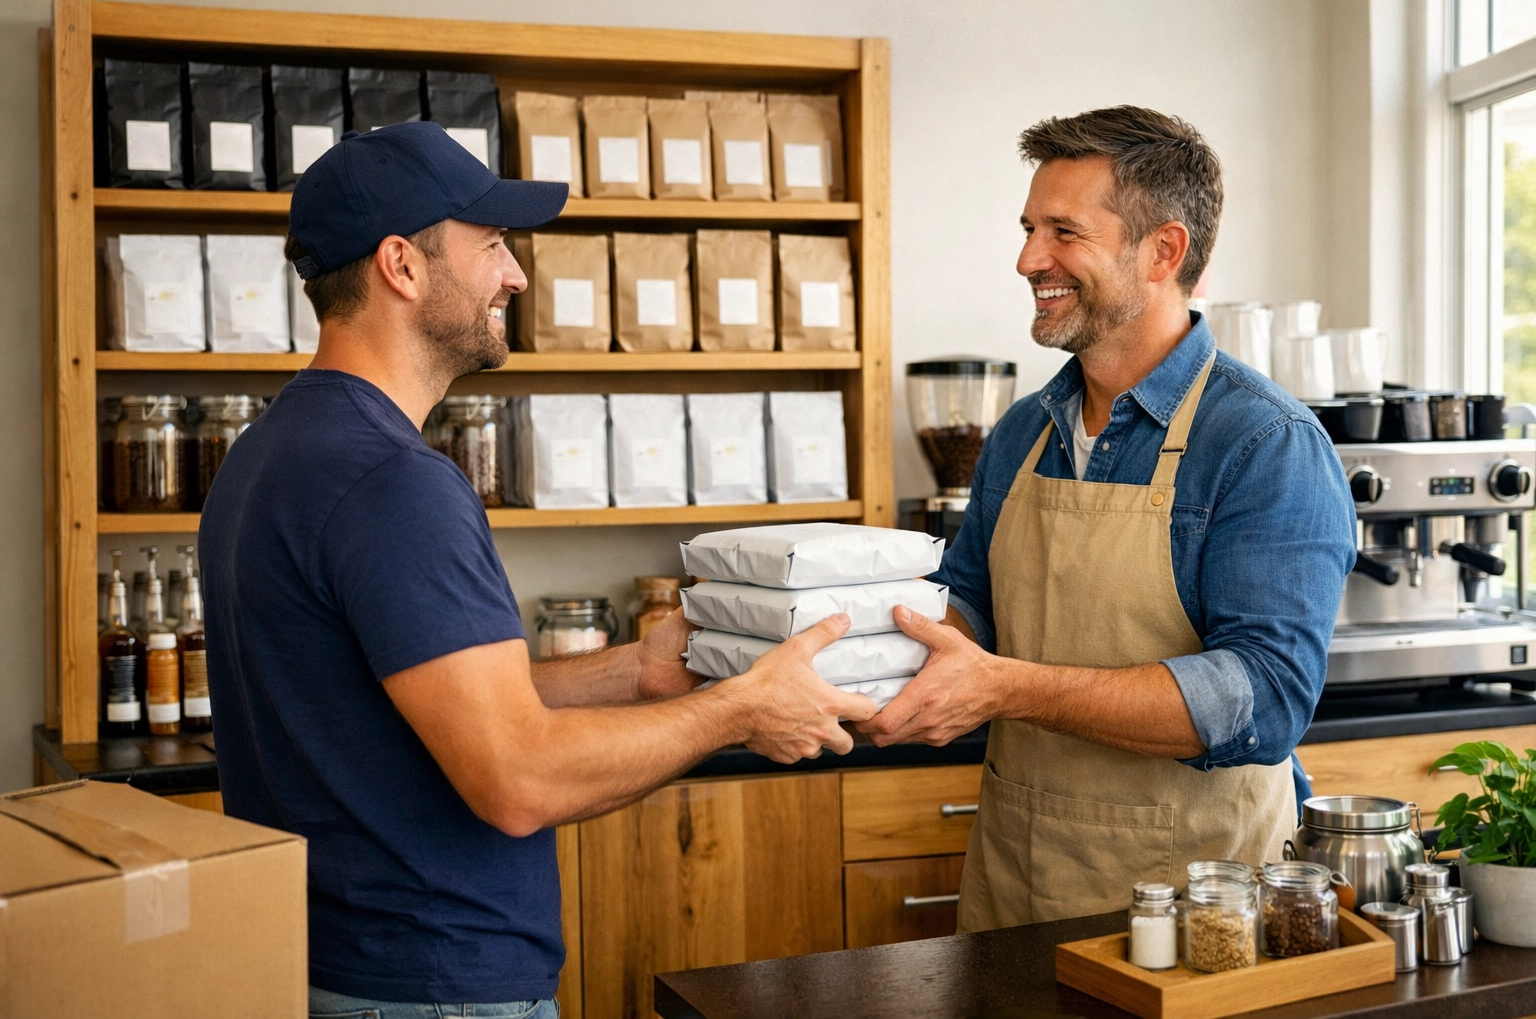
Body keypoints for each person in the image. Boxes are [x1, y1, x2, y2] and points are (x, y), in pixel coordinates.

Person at [199, 122, 878, 1019]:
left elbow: (408, 703)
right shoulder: (393, 482)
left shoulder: (271, 452)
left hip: (331, 966)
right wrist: (739, 709)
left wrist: (637, 672)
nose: (516, 276)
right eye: (491, 245)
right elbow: (520, 779)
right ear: (401, 266)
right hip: (430, 987)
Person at [857, 106, 1356, 930]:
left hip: (1195, 907)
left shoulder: (1262, 441)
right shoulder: (1023, 430)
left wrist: (1009, 688)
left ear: (1164, 251)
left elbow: (1264, 697)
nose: (1028, 259)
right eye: (1029, 230)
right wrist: (840, 645)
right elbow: (971, 607)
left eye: (1063, 232)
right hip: (1015, 881)